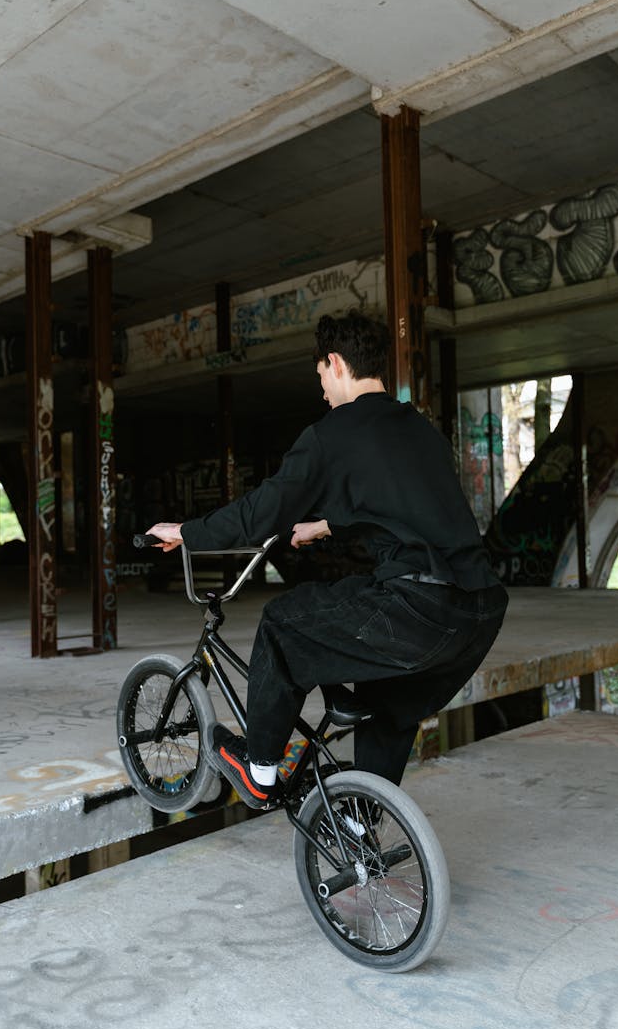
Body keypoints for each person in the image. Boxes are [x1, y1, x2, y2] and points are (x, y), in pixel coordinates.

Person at [148, 311, 508, 809]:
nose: (321, 392)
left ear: (335, 363)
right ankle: (362, 828)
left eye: (320, 376)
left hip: (417, 606)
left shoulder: (331, 434)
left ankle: (258, 772)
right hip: (480, 611)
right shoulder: (419, 429)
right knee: (388, 706)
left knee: (280, 623)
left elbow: (261, 513)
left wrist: (186, 532)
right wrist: (326, 524)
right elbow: (408, 504)